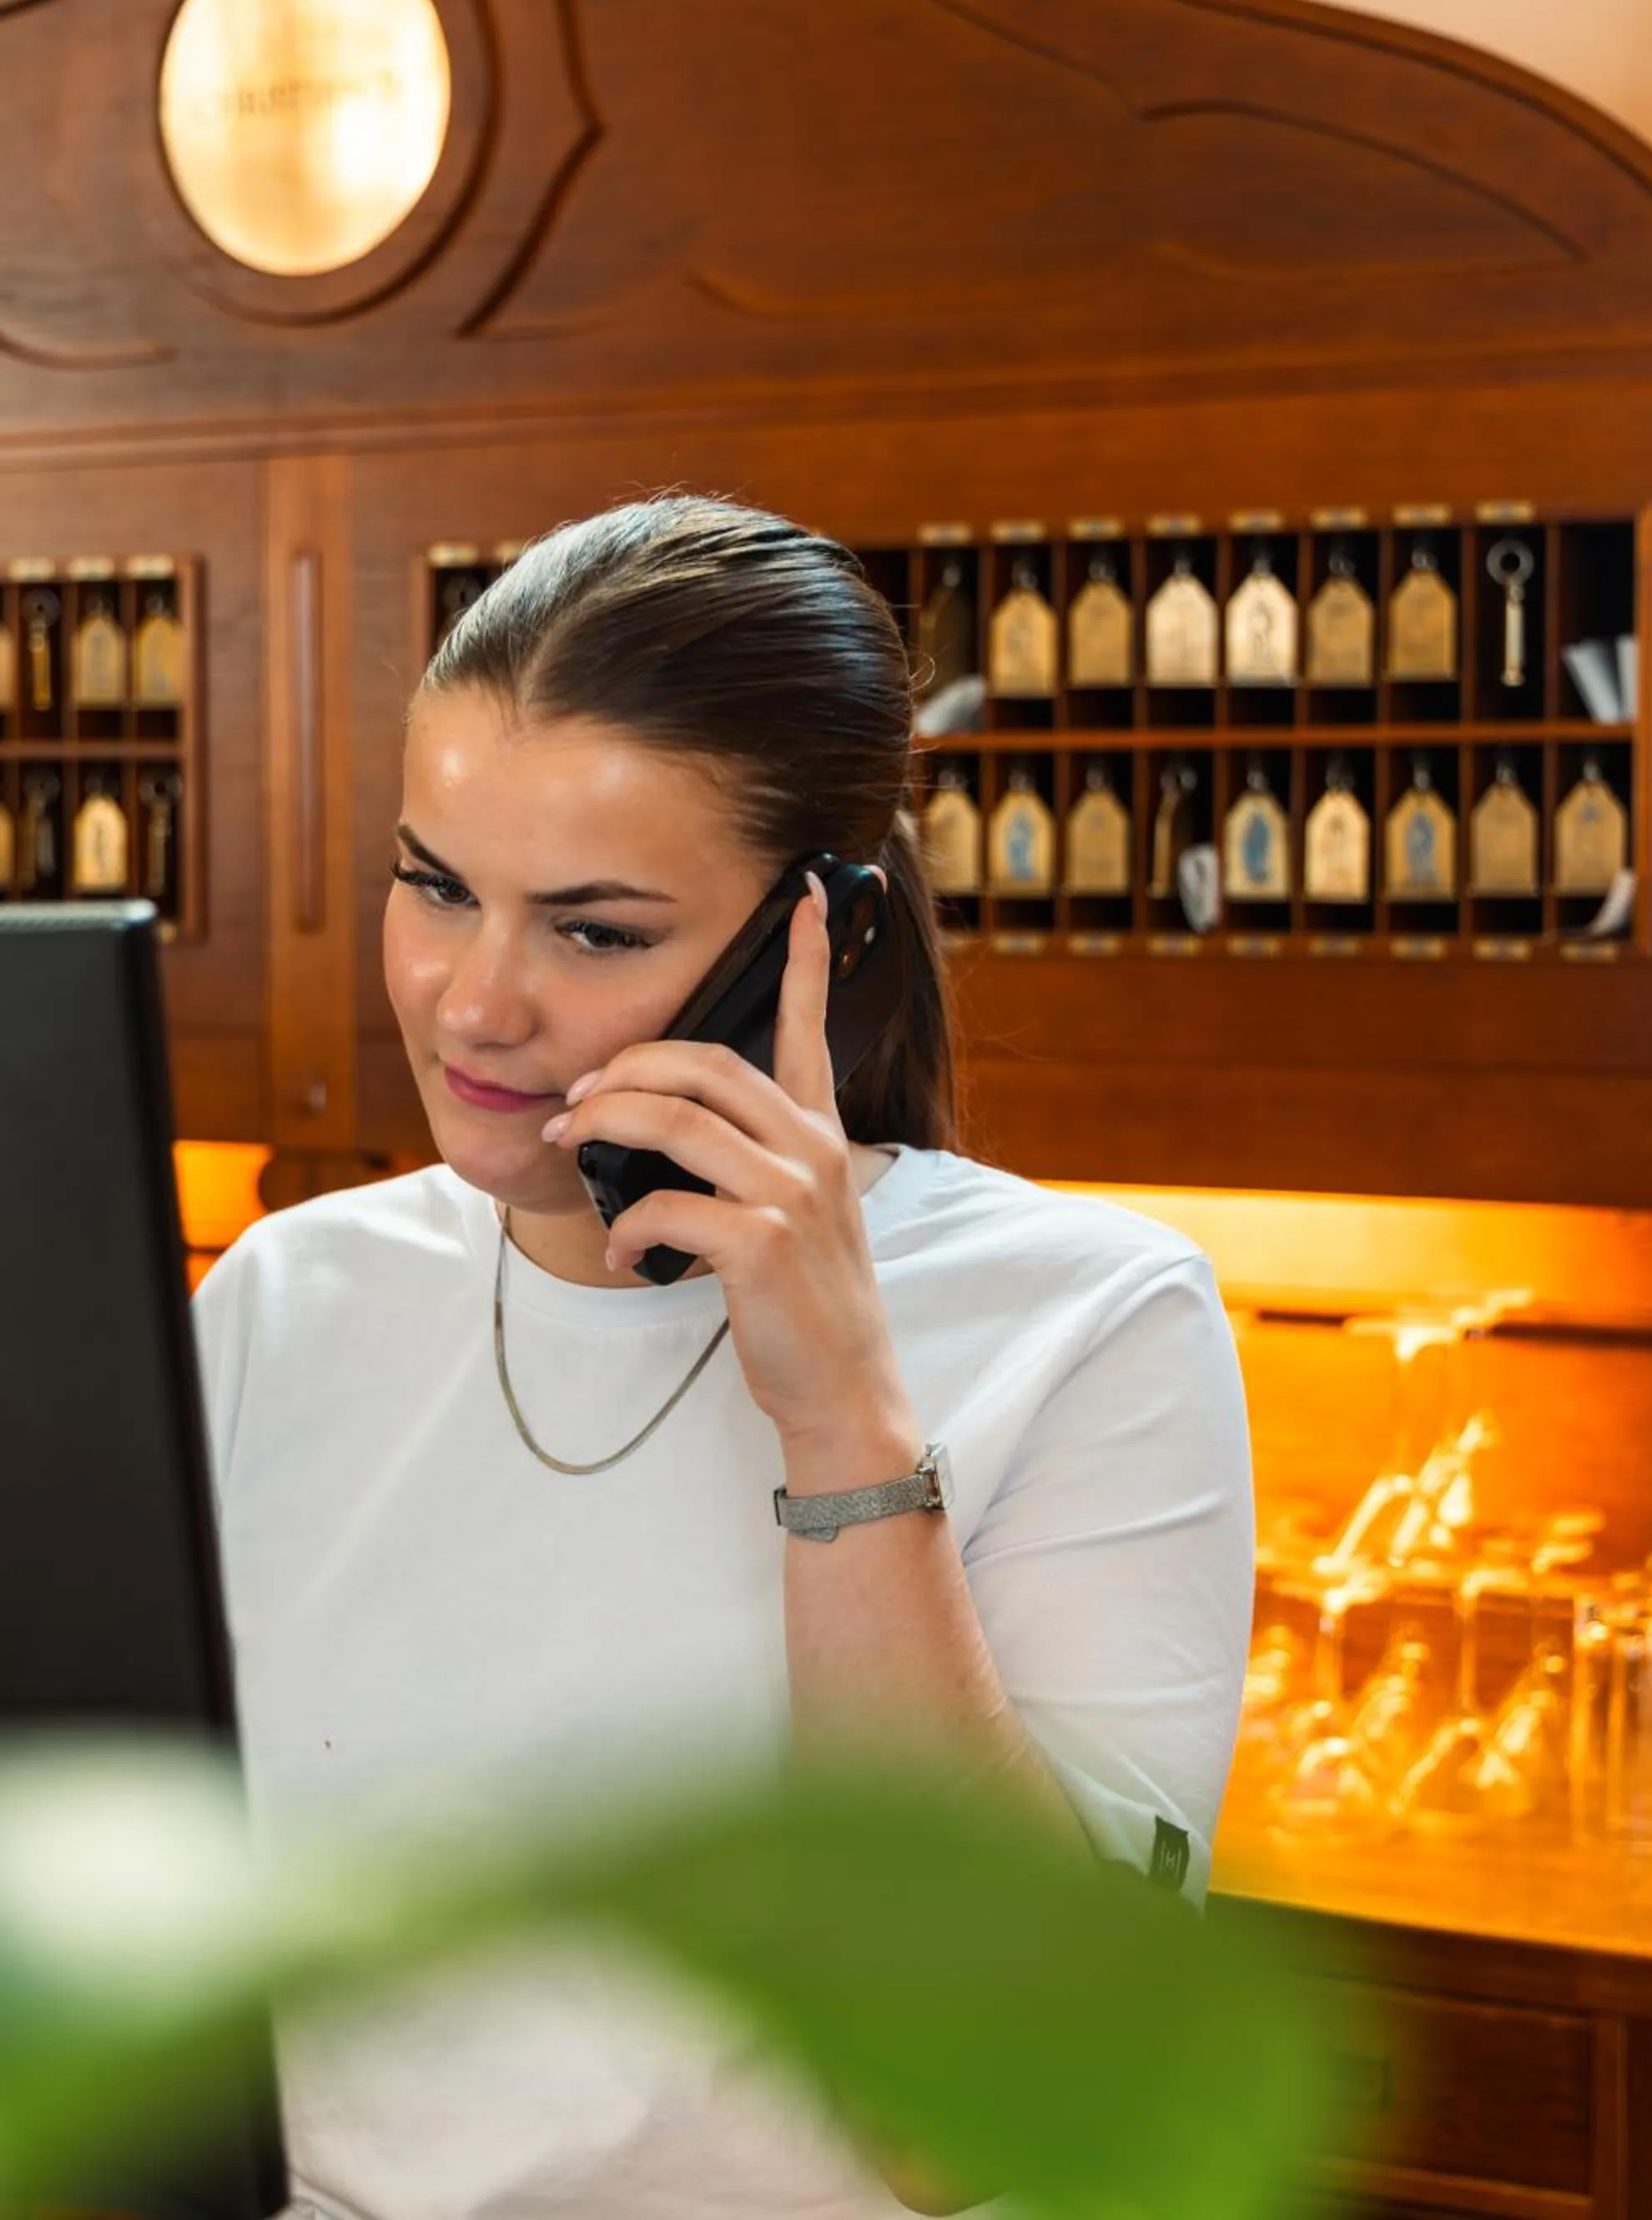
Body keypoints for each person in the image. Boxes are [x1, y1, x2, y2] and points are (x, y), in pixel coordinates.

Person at [193, 496, 1255, 2220]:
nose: (473, 1002)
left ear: (805, 942)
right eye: (435, 887)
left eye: (593, 930)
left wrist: (839, 1416)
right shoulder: (284, 1297)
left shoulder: (1096, 1324)